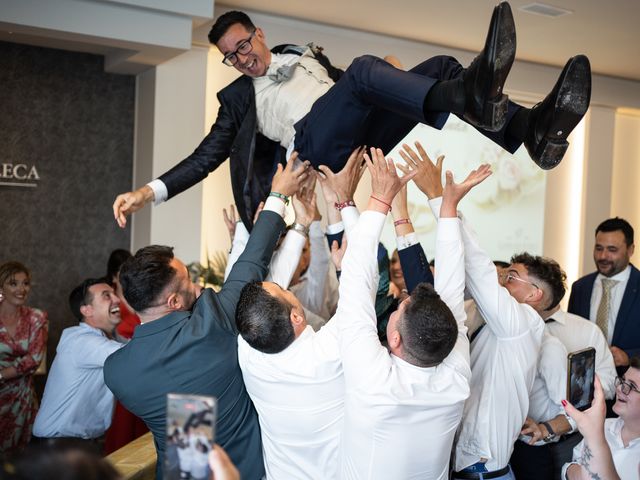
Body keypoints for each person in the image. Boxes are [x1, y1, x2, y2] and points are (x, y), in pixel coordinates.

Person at [113, 3, 592, 229]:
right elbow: (207, 156)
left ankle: (534, 132)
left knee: (442, 70)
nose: (242, 59)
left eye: (243, 46)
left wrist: (391, 79)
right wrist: (147, 191)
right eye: (231, 56)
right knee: (367, 71)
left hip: (359, 132)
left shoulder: (298, 55)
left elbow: (347, 86)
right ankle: (471, 95)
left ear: (259, 35)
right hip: (317, 145)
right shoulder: (237, 97)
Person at [103, 155, 309, 480]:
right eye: (189, 284)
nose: (199, 287)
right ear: (171, 301)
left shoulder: (117, 372)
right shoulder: (211, 324)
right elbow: (251, 262)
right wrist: (279, 195)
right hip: (244, 472)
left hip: (185, 472)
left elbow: (188, 420)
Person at [335, 149, 489, 479]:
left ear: (394, 339)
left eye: (400, 307)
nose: (402, 299)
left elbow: (355, 281)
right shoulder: (454, 381)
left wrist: (380, 199)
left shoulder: (375, 379)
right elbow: (449, 294)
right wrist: (445, 210)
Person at [31, 278, 124, 450]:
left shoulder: (105, 339)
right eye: (106, 296)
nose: (117, 299)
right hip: (57, 447)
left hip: (77, 443)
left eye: (114, 294)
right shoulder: (81, 340)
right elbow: (133, 356)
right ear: (87, 310)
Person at [568, 217, 640, 370]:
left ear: (630, 250)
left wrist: (630, 356)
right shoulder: (580, 287)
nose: (603, 256)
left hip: (630, 387)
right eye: (599, 248)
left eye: (612, 250)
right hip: (585, 382)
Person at [562, 358, 640, 479]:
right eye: (622, 380)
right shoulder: (605, 425)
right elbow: (570, 466)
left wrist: (594, 437)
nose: (619, 388)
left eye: (631, 386)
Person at [0, 262, 48, 455]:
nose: (21, 289)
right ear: (1, 287)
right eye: (14, 283)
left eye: (25, 283)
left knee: (19, 460)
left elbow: (33, 359)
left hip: (22, 400)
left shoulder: (36, 317)